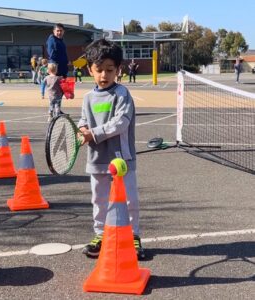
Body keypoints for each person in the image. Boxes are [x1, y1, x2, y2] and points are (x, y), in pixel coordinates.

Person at [78, 38, 145, 260]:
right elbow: (83, 120)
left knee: (129, 200)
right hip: (97, 158)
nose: (104, 75)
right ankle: (100, 234)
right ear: (90, 70)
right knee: (98, 199)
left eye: (109, 70)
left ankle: (133, 236)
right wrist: (82, 131)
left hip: (122, 159)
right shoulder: (88, 98)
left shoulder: (122, 94)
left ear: (118, 70)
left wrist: (93, 134)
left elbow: (121, 122)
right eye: (99, 70)